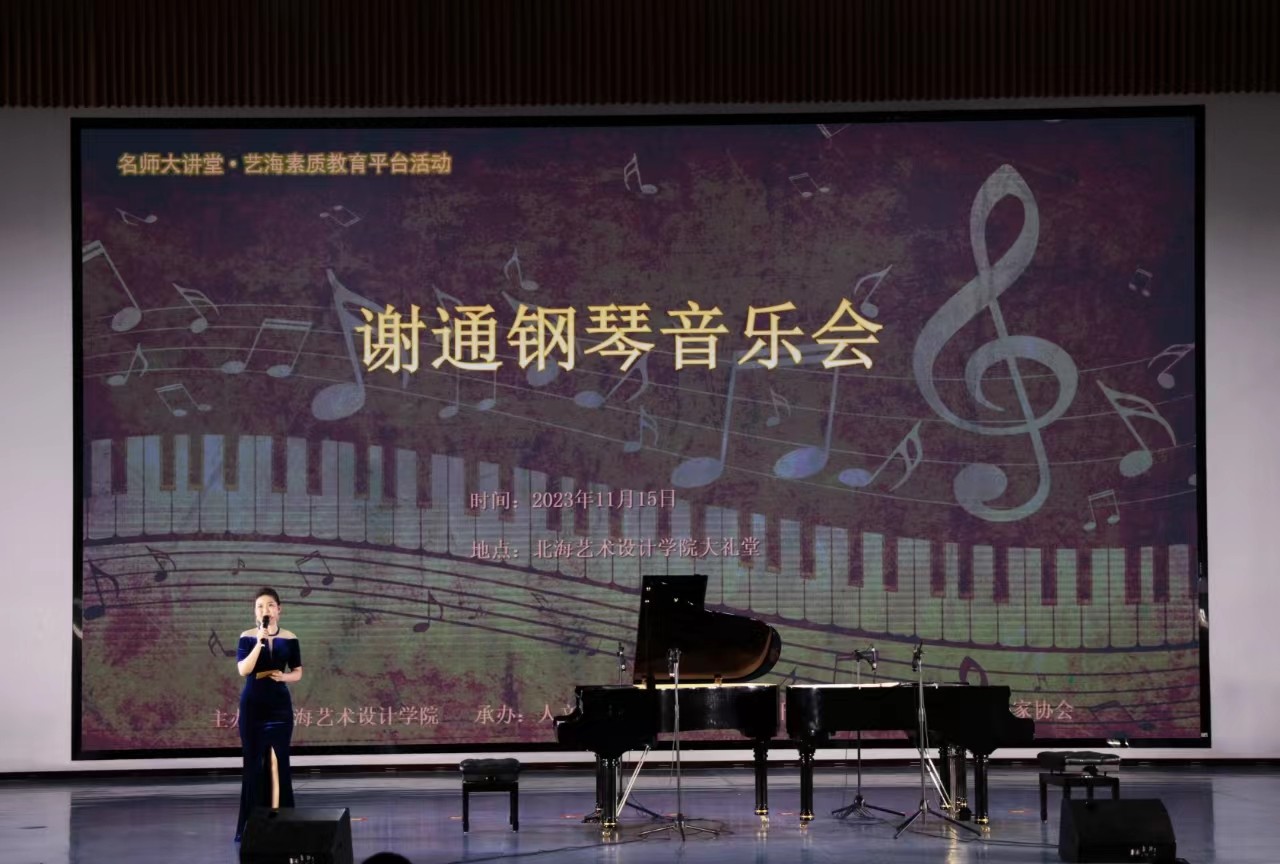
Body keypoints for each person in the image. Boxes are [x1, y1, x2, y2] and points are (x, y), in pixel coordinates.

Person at [234, 587, 304, 842]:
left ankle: (282, 824)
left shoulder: (290, 638)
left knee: (278, 763)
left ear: (279, 609)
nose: (266, 610)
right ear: (255, 612)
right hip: (253, 706)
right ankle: (253, 826)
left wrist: (284, 676)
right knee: (254, 764)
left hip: (279, 707)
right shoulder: (247, 637)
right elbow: (244, 670)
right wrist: (259, 643)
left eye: (271, 605)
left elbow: (298, 672)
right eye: (260, 606)